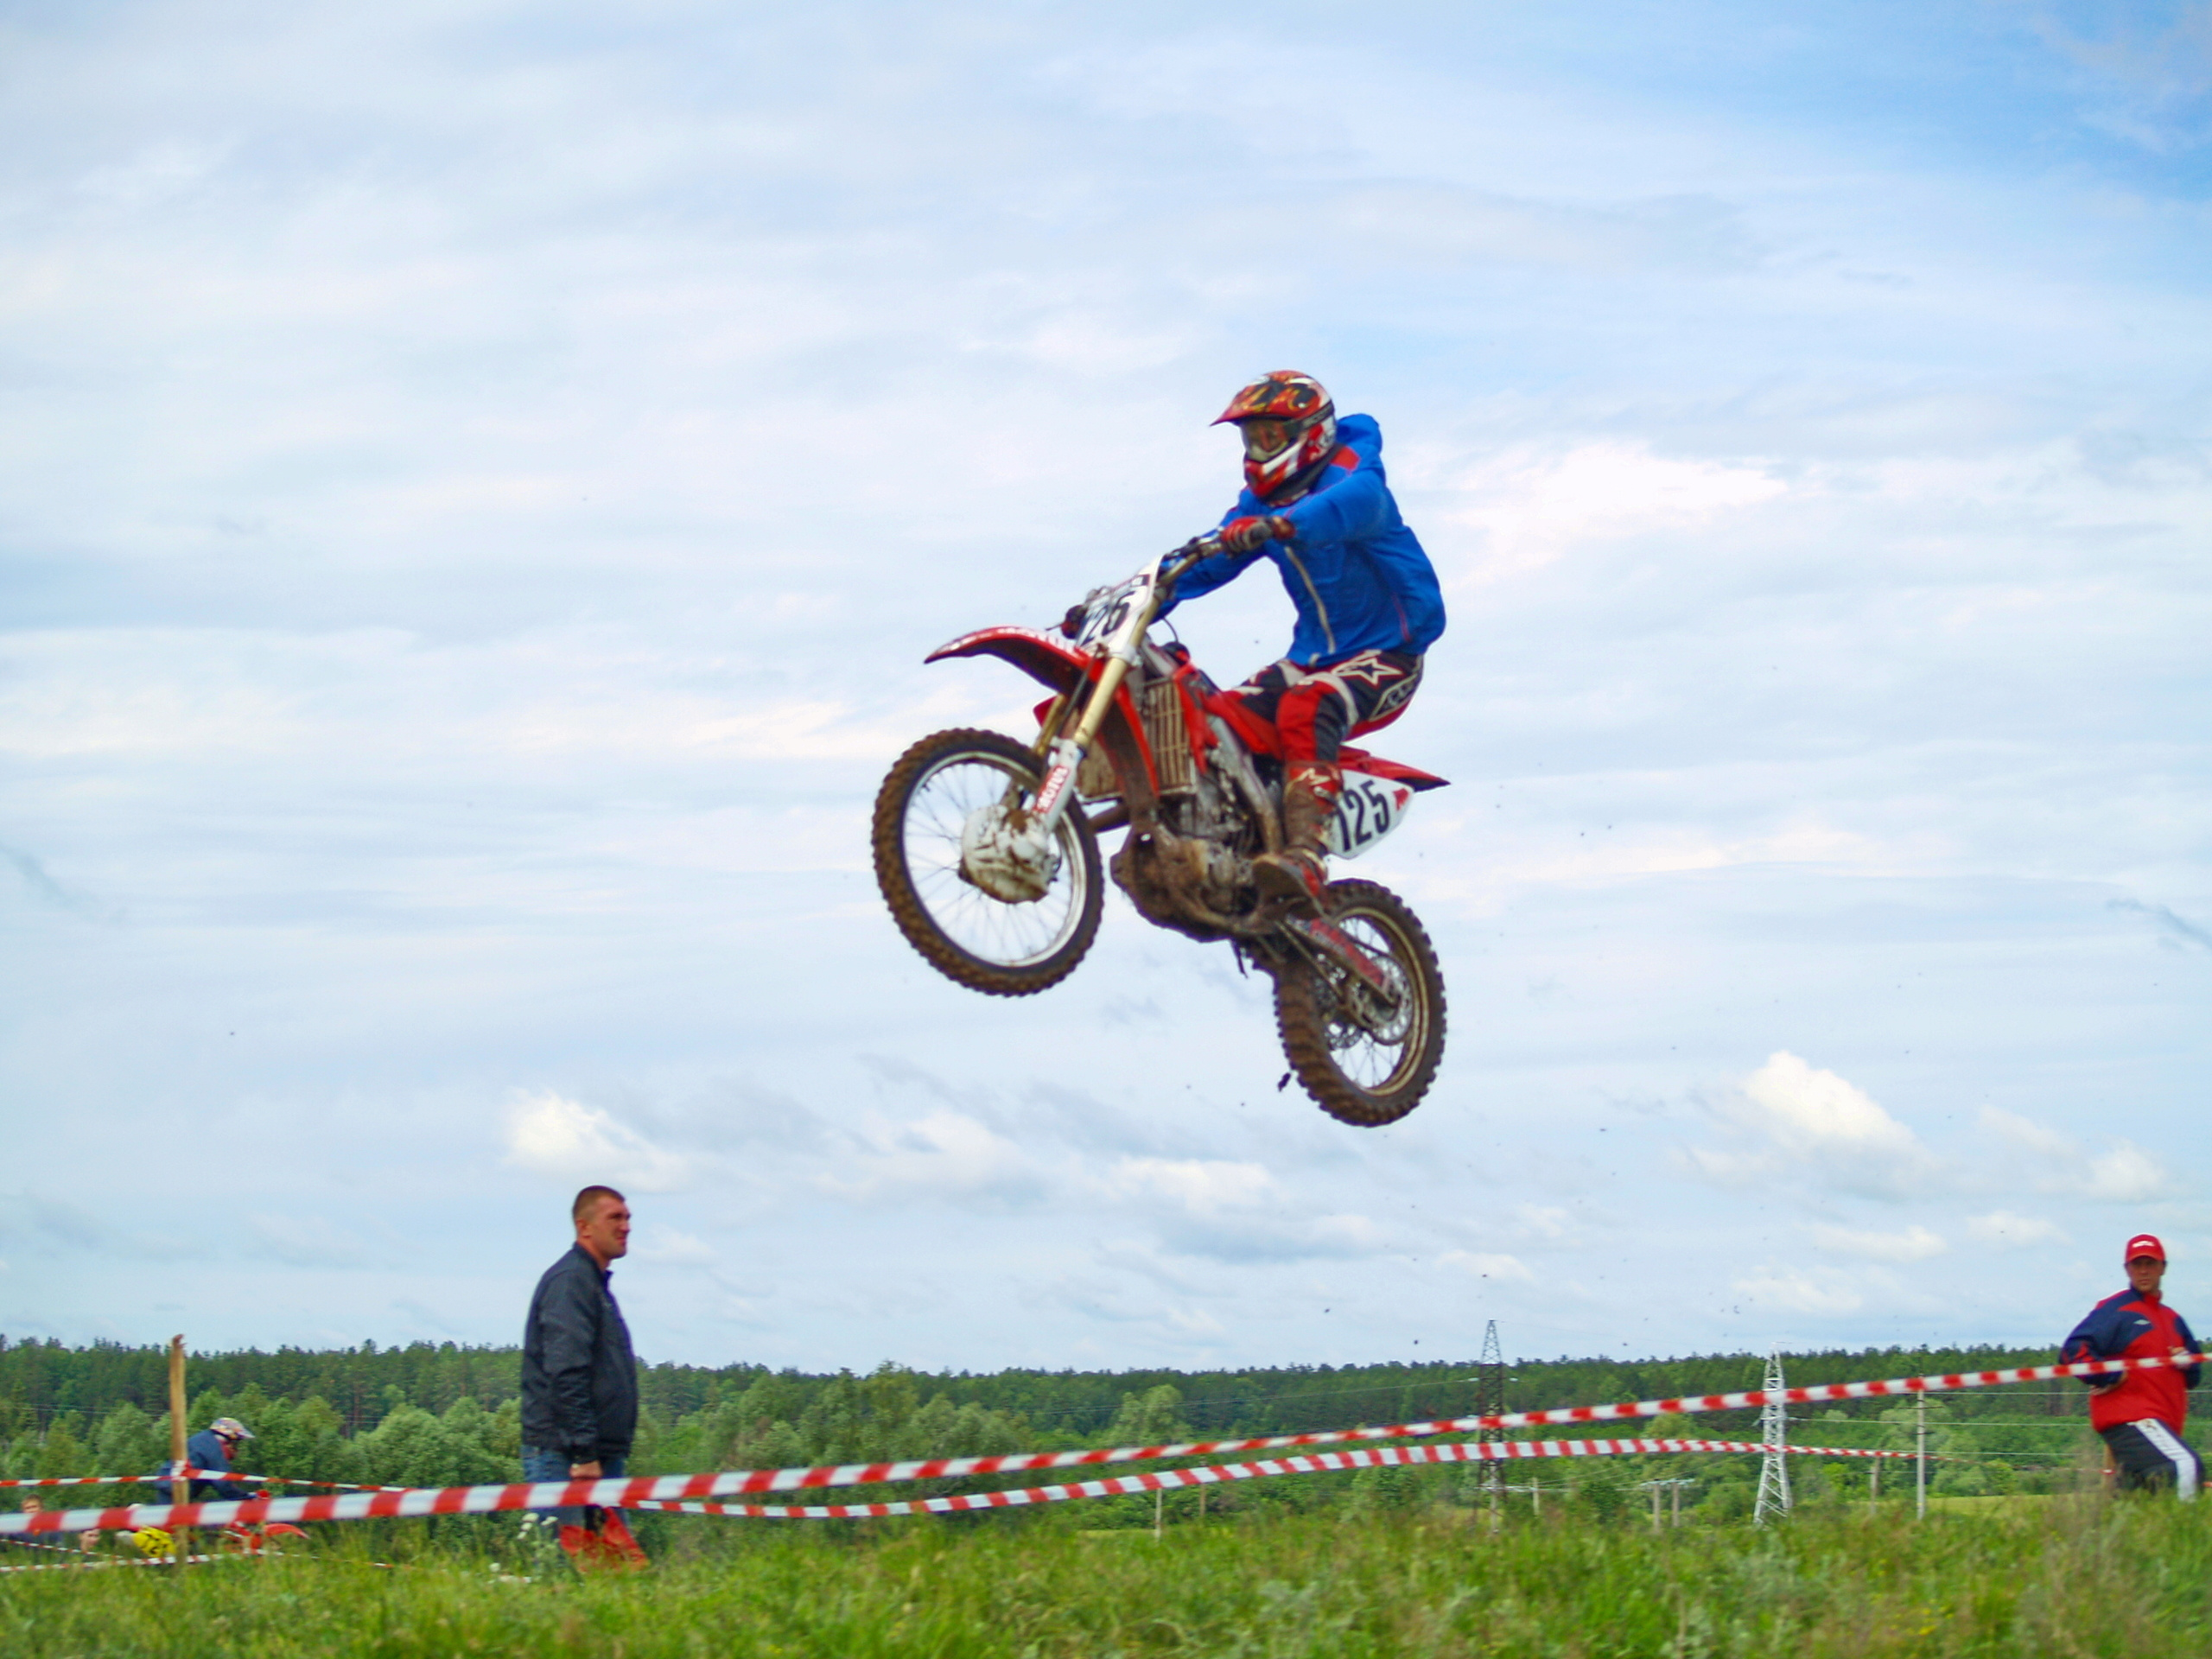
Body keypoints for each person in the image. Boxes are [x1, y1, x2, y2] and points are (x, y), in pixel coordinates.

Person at [1161, 371, 1446, 906]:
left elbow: (1341, 507)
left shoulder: (1356, 480)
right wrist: (1145, 591)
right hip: (1312, 656)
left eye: (1270, 436)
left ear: (1310, 433)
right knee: (1216, 721)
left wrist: (1282, 525)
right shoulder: (1258, 504)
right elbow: (1209, 558)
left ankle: (1307, 858)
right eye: (1251, 438)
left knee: (1306, 706)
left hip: (1389, 656)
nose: (1257, 449)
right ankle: (1243, 842)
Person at [521, 1184, 647, 1567]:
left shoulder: (593, 1284)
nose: (626, 1226)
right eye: (615, 1218)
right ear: (584, 1226)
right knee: (562, 1578)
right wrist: (584, 1454)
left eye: (627, 1218)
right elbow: (567, 1371)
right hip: (568, 1460)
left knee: (614, 1580)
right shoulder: (570, 1283)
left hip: (595, 1458)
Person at [2063, 1233, 2202, 1499]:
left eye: (2150, 1263)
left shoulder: (2173, 1320)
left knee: (2133, 1507)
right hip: (2130, 1420)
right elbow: (2073, 1351)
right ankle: (2192, 1539)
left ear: (2163, 1267)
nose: (2143, 1271)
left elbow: (2194, 1375)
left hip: (2165, 1426)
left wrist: (2186, 1362)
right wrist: (2109, 1375)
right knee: (2185, 1467)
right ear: (2127, 1269)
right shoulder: (2116, 1310)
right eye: (2136, 1265)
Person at [146, 1415, 257, 1505]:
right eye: (236, 1443)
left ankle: (139, 1516)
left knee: (168, 1524)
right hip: (177, 1489)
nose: (235, 1448)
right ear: (229, 1438)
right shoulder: (214, 1447)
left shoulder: (202, 1439)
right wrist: (247, 1499)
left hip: (170, 1484)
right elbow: (223, 1484)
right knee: (172, 1527)